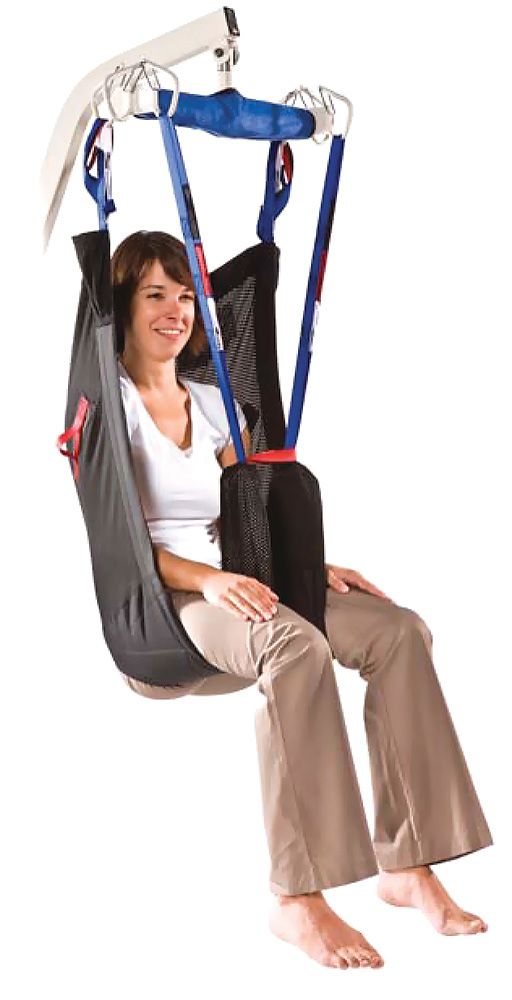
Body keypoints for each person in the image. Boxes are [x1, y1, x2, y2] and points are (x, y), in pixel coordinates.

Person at [111, 230, 493, 971]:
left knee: (398, 630)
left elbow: (244, 509)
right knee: (295, 644)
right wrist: (208, 579)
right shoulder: (110, 408)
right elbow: (122, 545)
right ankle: (296, 895)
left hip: (240, 581)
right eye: (156, 294)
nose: (175, 312)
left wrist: (309, 569)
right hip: (168, 605)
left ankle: (408, 861)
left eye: (186, 297)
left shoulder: (211, 403)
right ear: (123, 303)